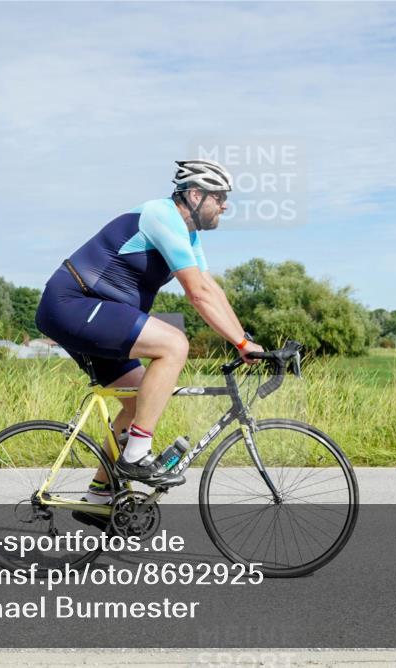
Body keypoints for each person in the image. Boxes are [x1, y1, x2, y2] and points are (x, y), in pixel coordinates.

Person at [35, 159, 265, 506]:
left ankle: (100, 493)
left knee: (139, 398)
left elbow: (210, 289)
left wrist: (244, 340)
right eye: (219, 197)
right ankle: (135, 455)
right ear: (196, 194)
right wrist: (241, 343)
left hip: (93, 311)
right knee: (174, 344)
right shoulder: (161, 216)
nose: (225, 205)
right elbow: (196, 295)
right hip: (72, 302)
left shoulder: (187, 234)